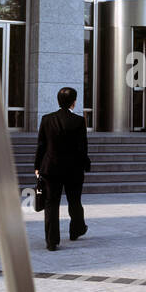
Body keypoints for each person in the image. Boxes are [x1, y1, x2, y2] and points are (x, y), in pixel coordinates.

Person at [34, 86, 90, 251]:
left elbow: (41, 145)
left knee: (51, 203)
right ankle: (76, 230)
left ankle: (52, 241)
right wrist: (85, 164)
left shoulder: (46, 119)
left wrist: (37, 166)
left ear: (58, 101)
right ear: (73, 102)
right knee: (75, 201)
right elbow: (82, 147)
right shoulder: (79, 121)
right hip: (73, 169)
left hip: (51, 168)